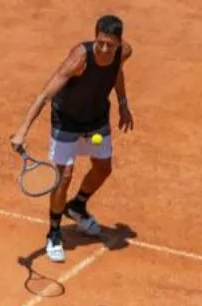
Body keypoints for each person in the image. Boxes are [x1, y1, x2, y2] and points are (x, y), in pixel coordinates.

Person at [10, 14, 134, 263]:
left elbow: (117, 73)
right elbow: (45, 94)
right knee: (63, 176)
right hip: (66, 120)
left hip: (96, 119)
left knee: (103, 168)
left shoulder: (123, 53)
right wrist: (23, 130)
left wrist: (122, 103)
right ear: (95, 38)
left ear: (119, 44)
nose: (104, 48)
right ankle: (54, 233)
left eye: (110, 45)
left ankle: (77, 206)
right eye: (100, 42)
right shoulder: (79, 60)